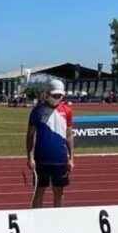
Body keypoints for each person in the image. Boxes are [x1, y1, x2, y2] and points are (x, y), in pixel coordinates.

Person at [26, 79, 74, 209]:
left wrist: (71, 158)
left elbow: (69, 135)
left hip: (60, 158)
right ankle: (36, 221)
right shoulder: (38, 111)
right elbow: (30, 135)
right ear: (48, 93)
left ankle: (58, 220)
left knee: (59, 191)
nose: (57, 98)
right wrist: (30, 157)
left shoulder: (67, 111)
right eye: (54, 95)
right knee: (39, 191)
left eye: (59, 95)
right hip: (41, 159)